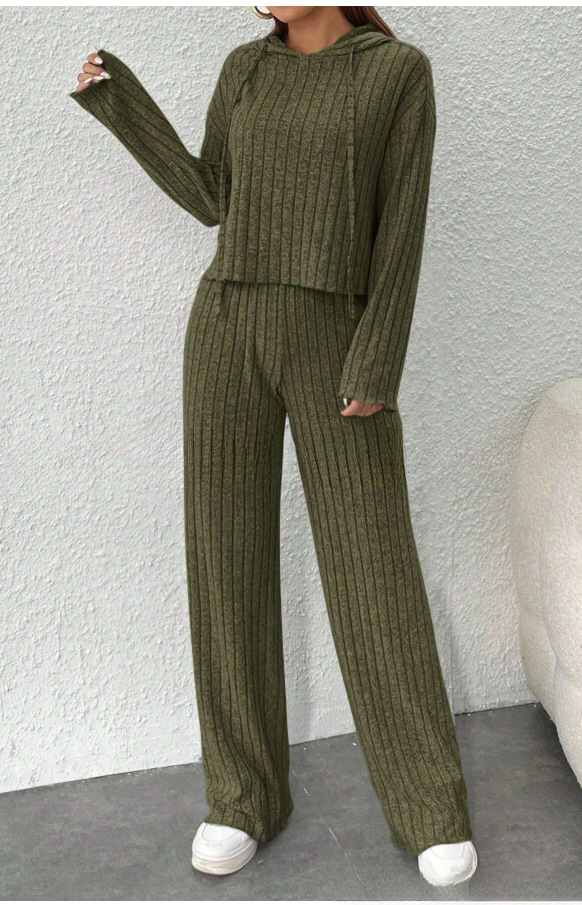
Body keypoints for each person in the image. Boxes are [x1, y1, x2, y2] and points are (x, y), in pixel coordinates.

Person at [71, 5, 477, 887]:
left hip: (335, 335)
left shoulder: (395, 73)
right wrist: (119, 103)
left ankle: (429, 806)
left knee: (371, 567)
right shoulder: (244, 69)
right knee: (227, 563)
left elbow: (401, 223)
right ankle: (241, 797)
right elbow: (211, 196)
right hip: (226, 324)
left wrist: (377, 357)